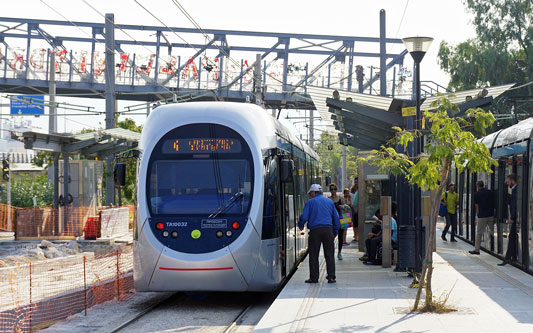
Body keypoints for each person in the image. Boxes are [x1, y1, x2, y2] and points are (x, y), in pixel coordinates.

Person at [298, 184, 340, 283]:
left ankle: (314, 277)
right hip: (328, 229)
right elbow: (336, 217)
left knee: (313, 255)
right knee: (329, 254)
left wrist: (300, 224)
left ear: (313, 192)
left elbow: (304, 217)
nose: (310, 195)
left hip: (315, 231)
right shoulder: (329, 202)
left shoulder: (310, 202)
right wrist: (335, 231)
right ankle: (331, 277)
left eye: (310, 193)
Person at [469, 181, 495, 255]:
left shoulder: (476, 194)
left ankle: (477, 250)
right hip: (491, 215)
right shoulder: (490, 192)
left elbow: (476, 205)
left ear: (477, 186)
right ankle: (496, 247)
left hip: (482, 216)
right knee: (493, 231)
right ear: (483, 185)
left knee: (479, 233)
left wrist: (478, 213)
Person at [499, 174, 519, 266]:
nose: (507, 183)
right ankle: (512, 258)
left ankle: (507, 259)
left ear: (512, 180)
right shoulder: (515, 190)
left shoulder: (516, 190)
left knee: (512, 238)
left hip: (514, 219)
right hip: (515, 218)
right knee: (513, 238)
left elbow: (515, 206)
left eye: (508, 181)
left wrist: (512, 217)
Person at [327, 183, 345, 260]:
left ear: (337, 190)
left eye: (334, 189)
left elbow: (346, 208)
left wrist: (343, 207)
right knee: (331, 237)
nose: (333, 191)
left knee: (340, 236)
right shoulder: (328, 199)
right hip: (332, 220)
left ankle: (339, 252)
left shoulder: (341, 198)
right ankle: (331, 252)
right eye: (331, 189)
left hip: (341, 218)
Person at [350, 177, 359, 242]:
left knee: (357, 223)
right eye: (355, 182)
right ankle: (355, 236)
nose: (356, 183)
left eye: (357, 182)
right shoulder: (354, 190)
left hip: (357, 209)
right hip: (353, 208)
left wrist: (357, 207)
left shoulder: (360, 190)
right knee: (354, 223)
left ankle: (357, 236)